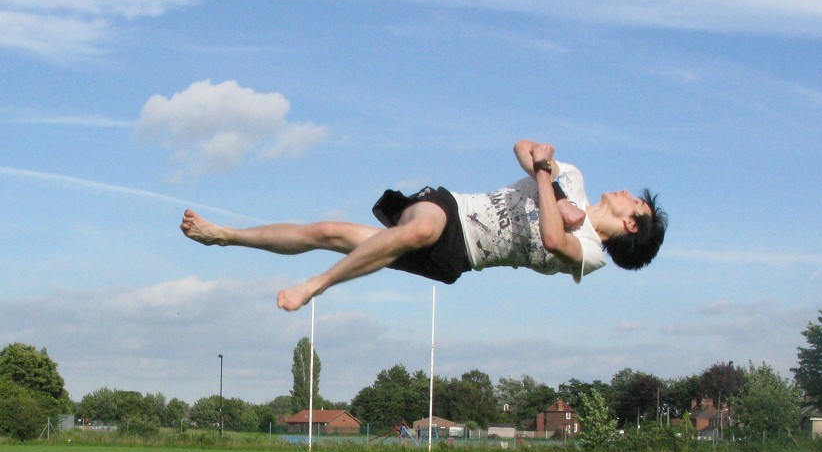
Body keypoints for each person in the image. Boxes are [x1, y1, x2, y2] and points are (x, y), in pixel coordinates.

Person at [180, 140, 667, 311]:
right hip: (450, 209)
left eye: (636, 204)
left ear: (630, 225)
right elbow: (523, 147)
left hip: (458, 258)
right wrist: (546, 174)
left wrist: (547, 188)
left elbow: (553, 239)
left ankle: (225, 236)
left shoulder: (593, 254)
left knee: (328, 232)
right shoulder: (573, 180)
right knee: (420, 227)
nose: (627, 191)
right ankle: (316, 286)